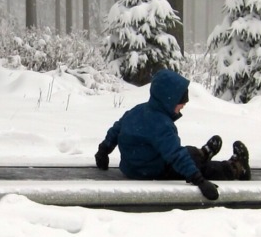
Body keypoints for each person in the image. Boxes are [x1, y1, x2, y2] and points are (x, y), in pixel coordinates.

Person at [94, 69, 251, 200]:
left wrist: (103, 150)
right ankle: (236, 169)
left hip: (133, 166)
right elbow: (175, 155)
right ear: (167, 100)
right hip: (151, 171)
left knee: (185, 152)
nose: (184, 105)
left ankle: (201, 154)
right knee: (194, 164)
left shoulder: (139, 110)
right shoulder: (161, 125)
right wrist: (200, 180)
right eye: (181, 101)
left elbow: (116, 130)